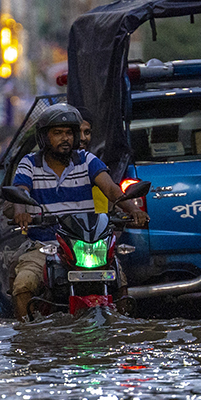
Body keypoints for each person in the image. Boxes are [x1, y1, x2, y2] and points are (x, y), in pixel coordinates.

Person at [8, 103, 148, 319]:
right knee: (23, 284)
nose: (65, 138)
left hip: (87, 246)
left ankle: (122, 327)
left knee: (119, 279)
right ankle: (26, 337)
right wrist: (21, 211)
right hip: (44, 246)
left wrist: (133, 210)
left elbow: (111, 189)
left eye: (69, 133)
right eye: (57, 133)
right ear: (44, 137)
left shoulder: (86, 160)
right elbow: (20, 191)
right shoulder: (29, 163)